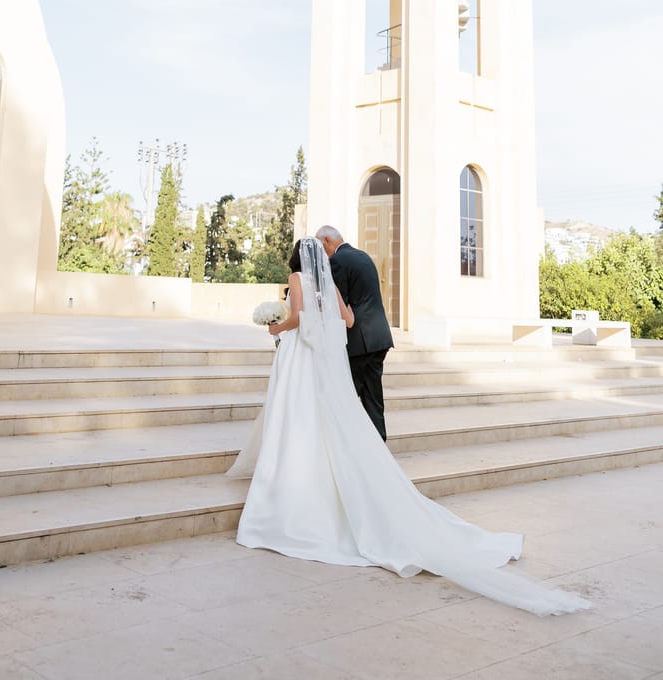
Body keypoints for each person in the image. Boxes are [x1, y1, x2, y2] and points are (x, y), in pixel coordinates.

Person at [230, 236, 591, 616]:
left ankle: (291, 489)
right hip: (322, 367)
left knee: (298, 420)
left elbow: (299, 319)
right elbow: (348, 320)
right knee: (327, 423)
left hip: (300, 362)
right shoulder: (330, 284)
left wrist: (276, 327)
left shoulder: (298, 279)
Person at [316, 224, 393, 441]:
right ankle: (378, 446)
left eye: (320, 246)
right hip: (379, 338)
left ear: (327, 241)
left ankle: (348, 449)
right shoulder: (364, 256)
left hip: (359, 342)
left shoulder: (337, 261)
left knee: (344, 398)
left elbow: (339, 306)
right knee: (373, 399)